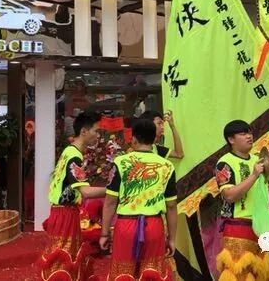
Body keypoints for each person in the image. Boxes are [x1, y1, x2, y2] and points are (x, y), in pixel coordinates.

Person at [100, 118, 177, 279]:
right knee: (152, 273)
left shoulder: (120, 162)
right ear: (154, 139)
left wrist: (105, 233)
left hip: (126, 226)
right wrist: (171, 238)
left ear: (133, 139)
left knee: (122, 273)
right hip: (154, 226)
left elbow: (110, 202)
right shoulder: (167, 166)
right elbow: (171, 206)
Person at [38, 112, 107, 281]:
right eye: (96, 131)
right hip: (65, 215)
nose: (98, 135)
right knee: (64, 259)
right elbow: (86, 192)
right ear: (84, 131)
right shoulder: (74, 156)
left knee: (63, 258)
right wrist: (113, 190)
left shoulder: (69, 151)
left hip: (62, 212)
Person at [214, 120, 269, 281]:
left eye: (249, 133)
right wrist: (254, 175)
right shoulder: (224, 163)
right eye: (243, 134)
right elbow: (229, 196)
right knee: (239, 274)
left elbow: (267, 195)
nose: (249, 136)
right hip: (238, 225)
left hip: (261, 225)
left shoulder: (257, 160)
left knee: (263, 274)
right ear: (231, 139)